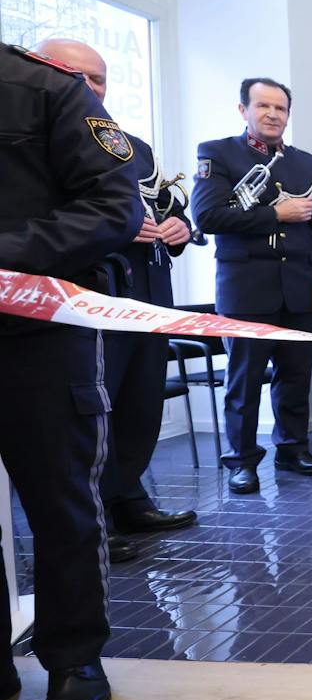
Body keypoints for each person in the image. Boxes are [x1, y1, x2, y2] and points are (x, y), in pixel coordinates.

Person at [0, 43, 145, 700]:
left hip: (38, 336)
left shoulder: (46, 90)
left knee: (62, 502)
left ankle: (73, 658)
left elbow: (114, 206)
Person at [36, 39, 199, 560]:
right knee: (93, 414)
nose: (90, 87)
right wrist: (120, 229)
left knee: (139, 404)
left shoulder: (132, 146)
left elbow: (167, 206)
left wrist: (180, 227)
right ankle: (94, 518)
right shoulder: (34, 146)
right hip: (91, 300)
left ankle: (128, 497)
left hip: (149, 296)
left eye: (99, 78)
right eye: (76, 75)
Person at [191, 78, 312, 495]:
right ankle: (241, 460)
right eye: (263, 106)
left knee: (296, 375)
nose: (273, 114)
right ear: (243, 110)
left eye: (281, 108)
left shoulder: (309, 164)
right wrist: (277, 215)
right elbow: (207, 217)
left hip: (300, 288)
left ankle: (293, 448)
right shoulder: (217, 153)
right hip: (245, 289)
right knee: (244, 379)